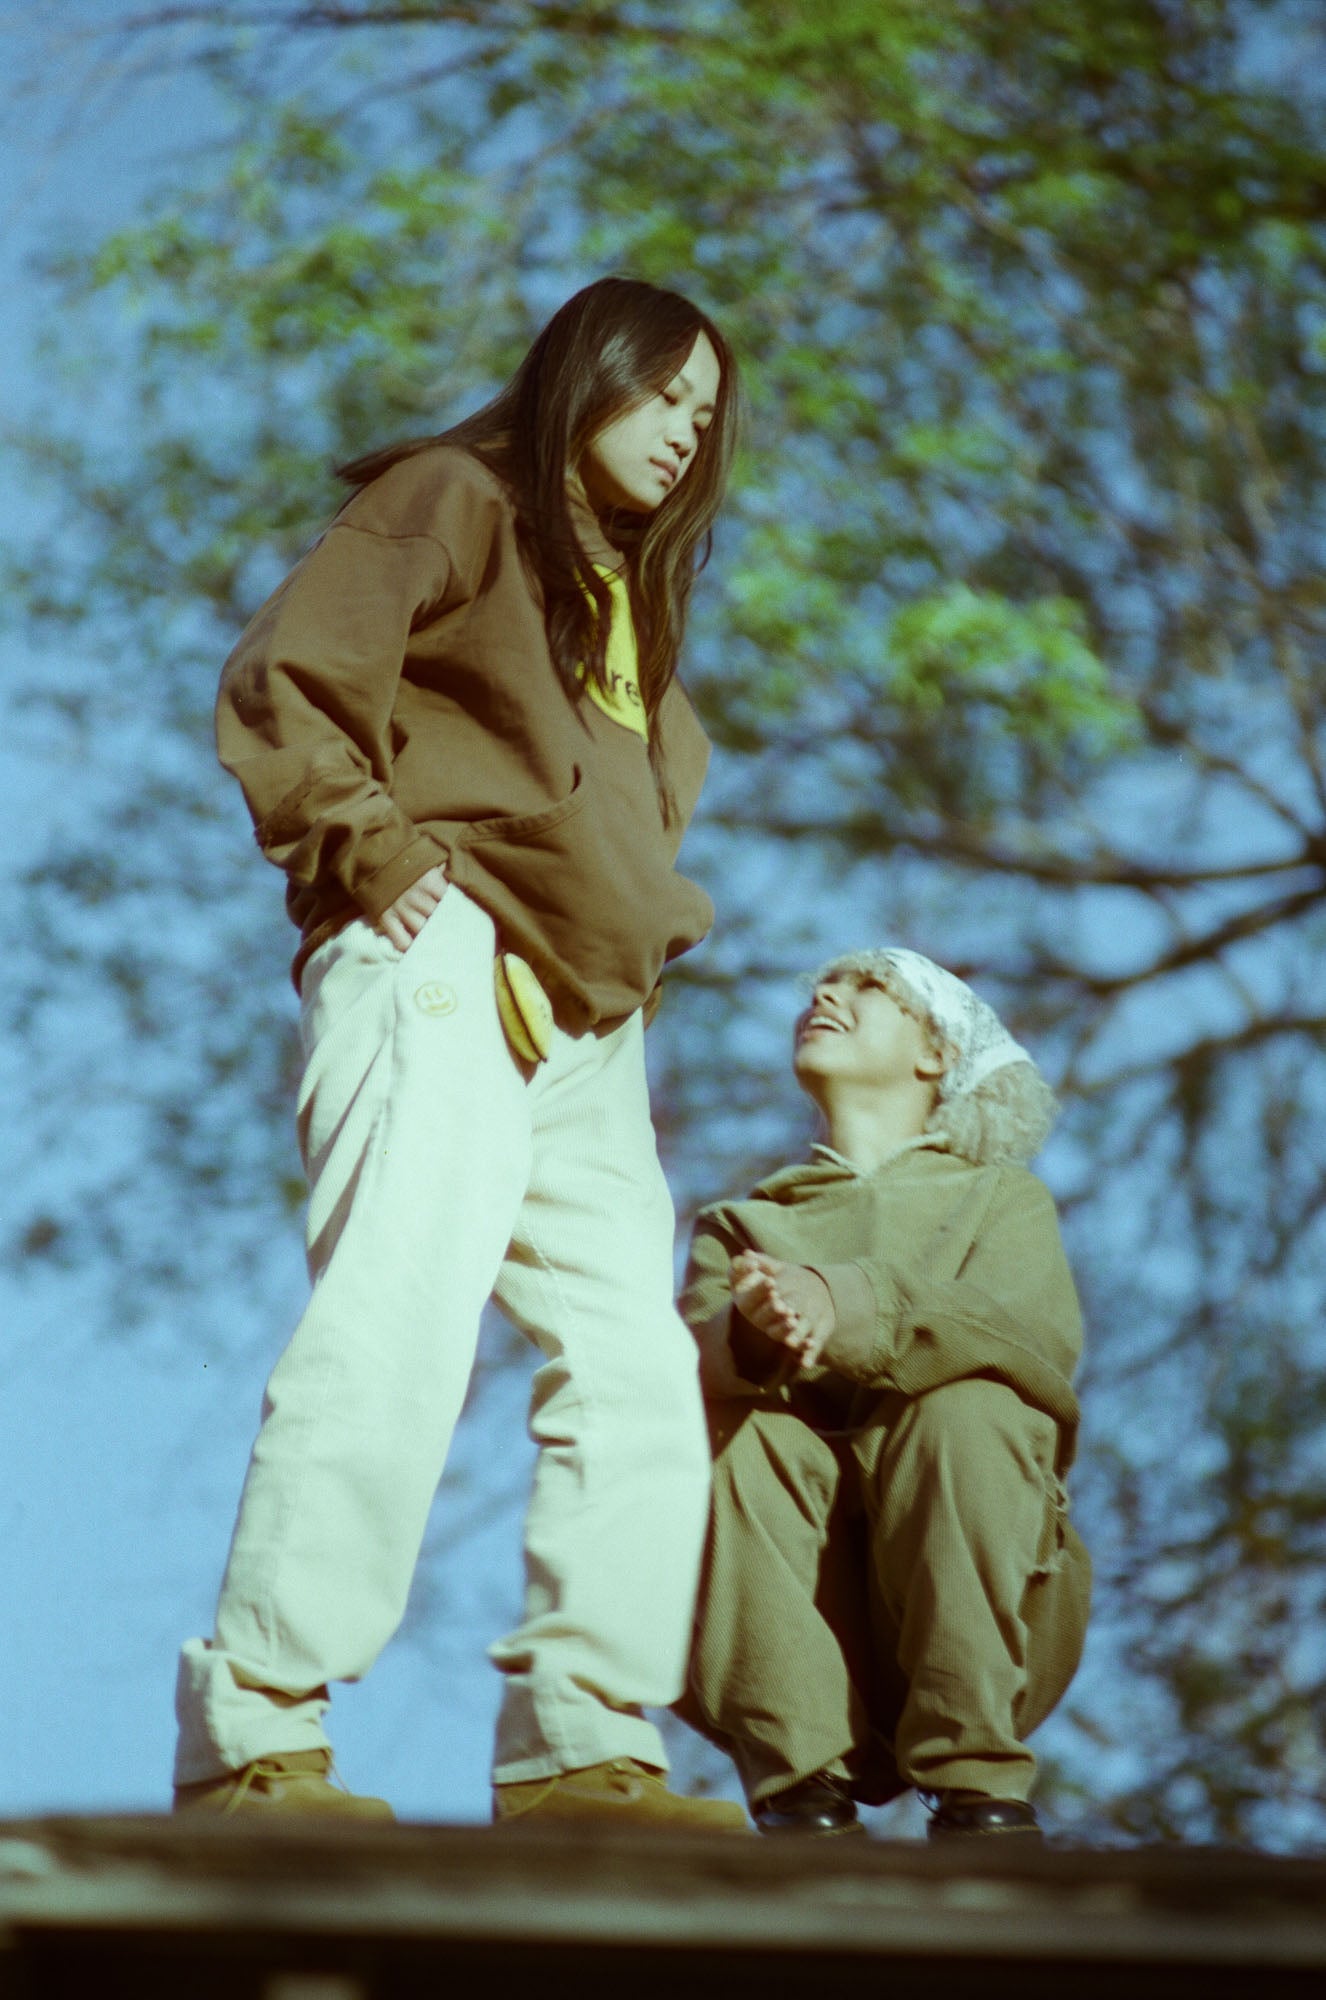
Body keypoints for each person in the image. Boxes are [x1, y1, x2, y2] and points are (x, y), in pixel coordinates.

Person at [173, 276, 747, 1831]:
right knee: (398, 1317)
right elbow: (289, 678)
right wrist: (375, 857)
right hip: (445, 956)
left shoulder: (629, 608)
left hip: (588, 1025)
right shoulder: (457, 499)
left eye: (706, 415)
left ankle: (582, 1748)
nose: (685, 433)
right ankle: (256, 1734)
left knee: (635, 1368)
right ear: (588, 374)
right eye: (664, 394)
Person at [678, 948, 1091, 1840]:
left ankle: (976, 1779)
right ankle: (799, 1786)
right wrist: (751, 1334)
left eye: (870, 986)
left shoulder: (1001, 1201)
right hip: (786, 1598)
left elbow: (1024, 1343)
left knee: (968, 1409)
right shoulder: (742, 1227)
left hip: (983, 1608)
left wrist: (845, 1303)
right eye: (824, 983)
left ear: (937, 1054)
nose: (827, 991)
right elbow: (684, 1370)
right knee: (724, 1431)